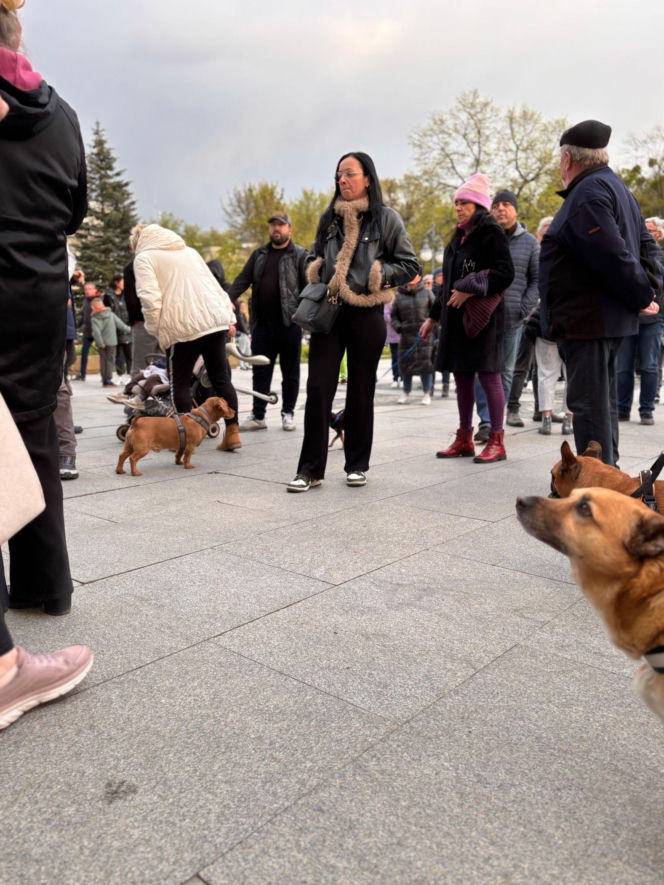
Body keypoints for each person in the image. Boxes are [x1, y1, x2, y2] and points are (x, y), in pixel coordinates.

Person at [0, 0, 87, 616]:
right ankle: (46, 586)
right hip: (39, 290)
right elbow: (76, 209)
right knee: (35, 434)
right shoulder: (63, 114)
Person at [288, 151, 419, 491]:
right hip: (329, 311)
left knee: (362, 390)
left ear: (367, 179)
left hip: (366, 311)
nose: (342, 180)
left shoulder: (386, 219)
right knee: (318, 388)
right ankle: (309, 469)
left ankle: (357, 464)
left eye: (349, 174)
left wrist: (376, 275)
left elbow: (410, 265)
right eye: (338, 175)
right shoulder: (327, 219)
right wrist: (317, 271)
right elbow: (317, 256)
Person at [539, 120, 661, 466]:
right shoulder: (616, 188)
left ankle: (598, 488)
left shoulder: (588, 194)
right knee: (601, 406)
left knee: (590, 408)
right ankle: (609, 476)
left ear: (567, 159)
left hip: (588, 321)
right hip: (601, 320)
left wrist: (643, 296)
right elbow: (646, 248)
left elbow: (612, 254)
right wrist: (650, 292)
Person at [420, 173, 514, 463]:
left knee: (489, 375)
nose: (458, 207)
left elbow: (505, 273)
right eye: (456, 203)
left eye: (463, 203)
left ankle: (497, 439)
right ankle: (465, 438)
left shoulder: (491, 233)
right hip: (454, 320)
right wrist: (433, 317)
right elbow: (447, 283)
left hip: (483, 320)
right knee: (461, 376)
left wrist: (470, 290)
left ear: (477, 205)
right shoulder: (458, 237)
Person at [131, 223, 241, 453]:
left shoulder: (144, 258)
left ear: (138, 242)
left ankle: (183, 438)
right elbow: (214, 286)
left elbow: (149, 299)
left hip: (183, 327)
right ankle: (232, 433)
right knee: (221, 378)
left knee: (179, 382)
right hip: (213, 321)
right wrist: (228, 316)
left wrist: (157, 329)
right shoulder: (189, 251)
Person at [229, 213, 309, 432]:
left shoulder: (300, 255)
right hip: (262, 326)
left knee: (290, 372)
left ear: (289, 229)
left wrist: (304, 318)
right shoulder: (260, 255)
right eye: (273, 225)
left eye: (281, 225)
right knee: (260, 372)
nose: (277, 229)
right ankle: (258, 415)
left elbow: (309, 288)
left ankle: (288, 413)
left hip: (289, 325)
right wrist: (226, 300)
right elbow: (242, 280)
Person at [474, 189, 539, 439]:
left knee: (506, 371)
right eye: (496, 205)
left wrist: (524, 308)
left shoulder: (530, 242)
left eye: (506, 204)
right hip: (484, 316)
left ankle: (496, 420)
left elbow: (536, 280)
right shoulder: (482, 238)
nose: (501, 208)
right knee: (483, 369)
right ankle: (485, 423)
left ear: (515, 210)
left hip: (513, 317)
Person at [616, 216, 664, 425]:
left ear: (659, 235)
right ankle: (622, 408)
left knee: (649, 366)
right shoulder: (630, 252)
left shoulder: (660, 256)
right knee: (623, 367)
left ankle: (647, 409)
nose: (644, 234)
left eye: (650, 231)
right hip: (629, 317)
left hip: (654, 319)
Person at [391, 274, 434, 405]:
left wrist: (432, 327)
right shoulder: (399, 295)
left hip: (424, 336)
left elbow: (436, 312)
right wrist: (399, 327)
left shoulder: (427, 293)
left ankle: (427, 393)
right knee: (405, 365)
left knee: (426, 365)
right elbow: (393, 316)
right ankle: (405, 392)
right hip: (406, 336)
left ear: (419, 277)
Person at [90, 296, 131, 387]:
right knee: (110, 361)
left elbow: (96, 332)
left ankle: (105, 379)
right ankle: (108, 380)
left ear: (93, 307)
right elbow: (121, 325)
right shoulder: (111, 315)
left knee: (103, 361)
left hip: (102, 344)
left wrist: (100, 342)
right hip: (111, 342)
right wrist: (130, 330)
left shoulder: (94, 318)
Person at [104, 272, 132, 377]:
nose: (125, 283)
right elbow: (106, 312)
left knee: (129, 353)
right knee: (118, 354)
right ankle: (120, 375)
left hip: (127, 326)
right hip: (114, 328)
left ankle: (131, 374)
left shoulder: (128, 294)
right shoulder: (108, 296)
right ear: (116, 283)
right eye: (122, 281)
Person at [75, 282, 98, 381]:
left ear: (94, 290)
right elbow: (84, 317)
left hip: (98, 332)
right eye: (86, 289)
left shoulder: (99, 300)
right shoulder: (85, 301)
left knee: (105, 353)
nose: (87, 291)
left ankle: (107, 376)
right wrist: (76, 326)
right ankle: (82, 374)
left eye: (89, 289)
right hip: (87, 332)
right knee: (84, 353)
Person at [383, 301, 401, 387]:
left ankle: (402, 378)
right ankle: (395, 378)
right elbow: (387, 317)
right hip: (393, 337)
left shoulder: (399, 302)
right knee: (395, 357)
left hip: (402, 335)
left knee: (402, 358)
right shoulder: (387, 305)